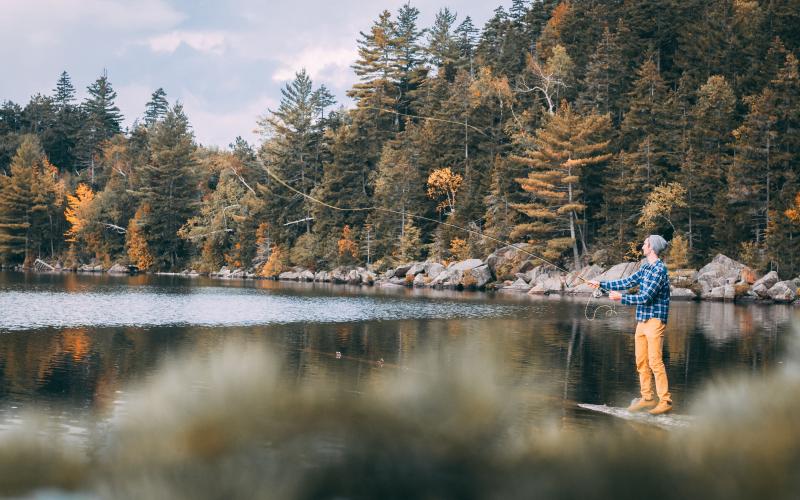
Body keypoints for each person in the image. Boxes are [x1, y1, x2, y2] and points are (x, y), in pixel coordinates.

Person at [589, 235, 672, 415]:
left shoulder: (659, 270)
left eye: (645, 244)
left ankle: (665, 401)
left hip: (655, 320)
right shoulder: (645, 267)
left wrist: (621, 297)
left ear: (651, 247)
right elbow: (626, 282)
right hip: (642, 320)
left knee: (655, 362)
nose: (642, 246)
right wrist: (600, 284)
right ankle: (647, 398)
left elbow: (646, 297)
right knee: (641, 361)